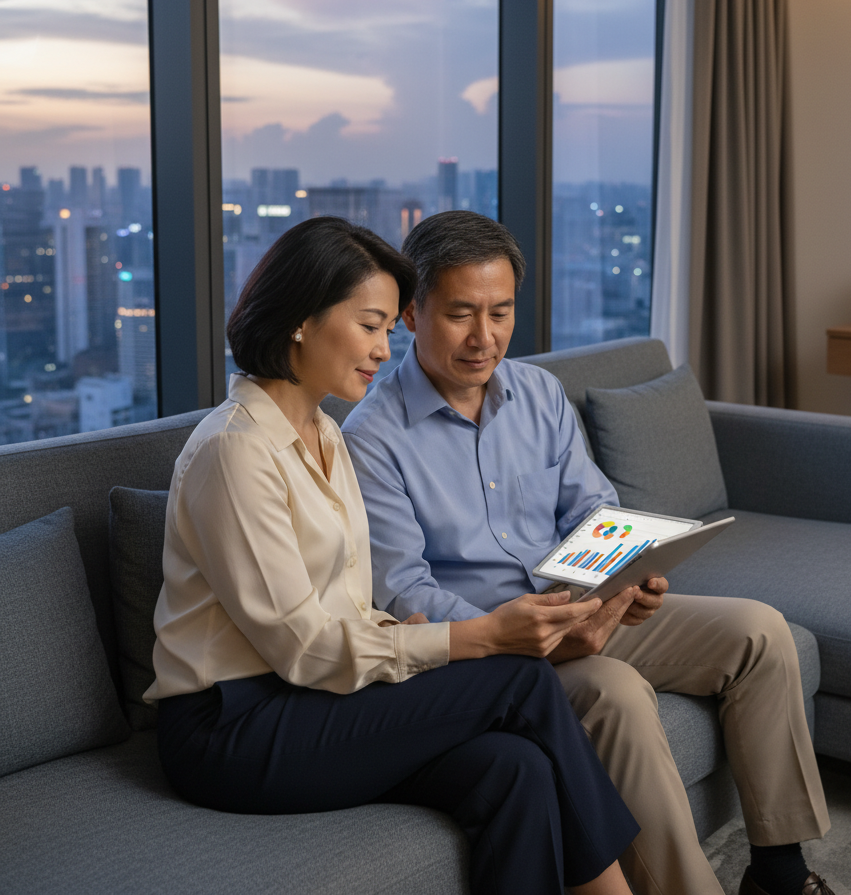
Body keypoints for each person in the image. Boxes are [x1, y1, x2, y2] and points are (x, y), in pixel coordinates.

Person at [344, 211, 839, 895]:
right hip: (496, 653)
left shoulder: (540, 395)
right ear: (410, 313)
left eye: (501, 312)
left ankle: (779, 873)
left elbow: (593, 512)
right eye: (461, 314)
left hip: (588, 608)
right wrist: (531, 638)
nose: (484, 337)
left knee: (760, 631)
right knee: (618, 695)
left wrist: (629, 577)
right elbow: (402, 590)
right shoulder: (372, 437)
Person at [144, 216, 640, 895]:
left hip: (315, 699)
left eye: (387, 329)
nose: (385, 349)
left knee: (514, 768)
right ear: (300, 320)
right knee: (519, 678)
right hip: (235, 727)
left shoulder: (322, 431)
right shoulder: (236, 451)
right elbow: (304, 649)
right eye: (371, 325)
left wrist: (404, 637)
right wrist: (475, 637)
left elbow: (347, 610)